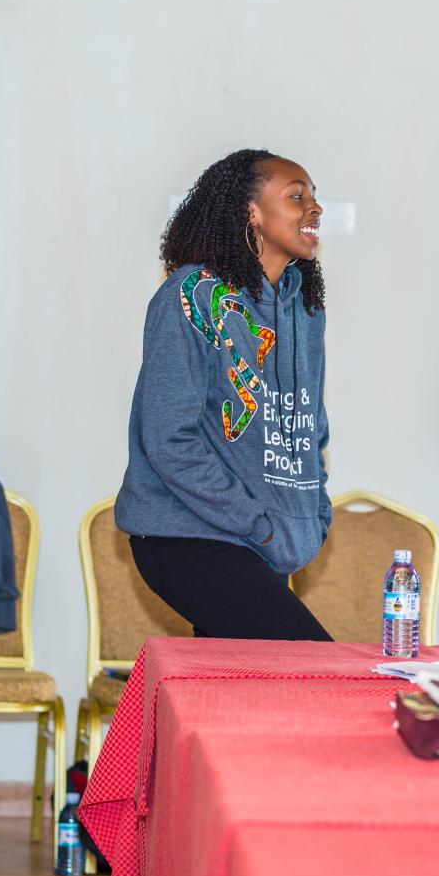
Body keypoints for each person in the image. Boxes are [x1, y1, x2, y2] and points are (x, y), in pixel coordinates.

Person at [116, 148, 333, 640]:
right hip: (187, 534)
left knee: (241, 683)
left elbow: (310, 428)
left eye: (314, 197)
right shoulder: (193, 295)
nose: (314, 208)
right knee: (314, 665)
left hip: (260, 540)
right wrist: (258, 522)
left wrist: (313, 515)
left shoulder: (305, 309)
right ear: (251, 211)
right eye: (296, 196)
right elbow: (169, 438)